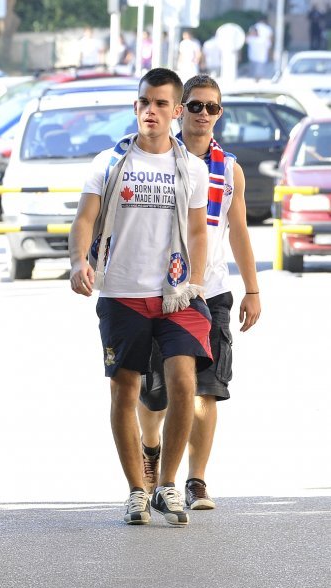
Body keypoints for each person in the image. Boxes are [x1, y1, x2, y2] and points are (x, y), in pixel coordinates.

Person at [68, 68, 211, 528]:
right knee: (124, 390)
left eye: (162, 104)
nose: (151, 110)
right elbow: (85, 219)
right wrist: (78, 261)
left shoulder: (192, 167)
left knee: (183, 383)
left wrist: (194, 281)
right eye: (144, 102)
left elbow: (196, 229)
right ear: (136, 107)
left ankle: (167, 483)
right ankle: (135, 490)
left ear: (175, 111)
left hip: (175, 292)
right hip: (121, 291)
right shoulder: (108, 163)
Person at [137, 74, 261, 512]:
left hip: (210, 294)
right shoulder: (151, 158)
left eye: (211, 107)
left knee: (208, 389)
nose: (203, 114)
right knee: (155, 393)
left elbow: (240, 231)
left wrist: (253, 289)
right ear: (179, 109)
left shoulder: (229, 169)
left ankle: (196, 480)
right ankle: (150, 452)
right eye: (195, 106)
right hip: (157, 291)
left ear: (219, 113)